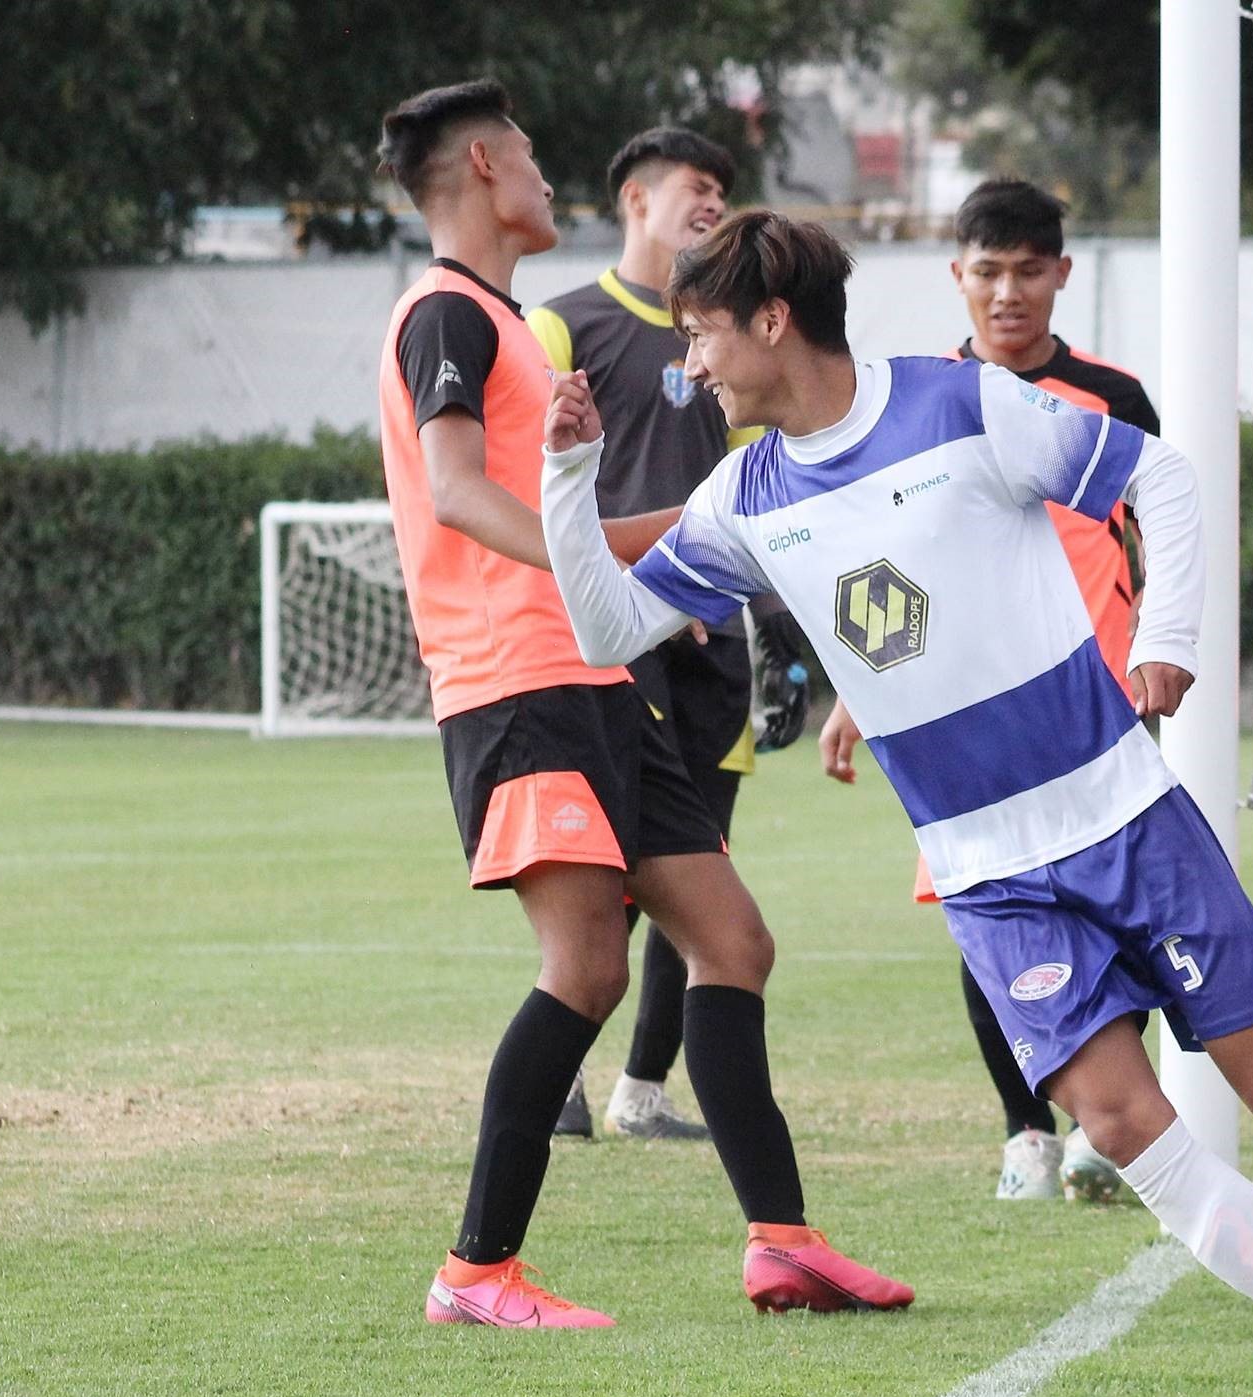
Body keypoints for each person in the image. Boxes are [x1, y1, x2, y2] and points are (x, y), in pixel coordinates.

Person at [536, 208, 1253, 1397]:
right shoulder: (743, 495)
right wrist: (565, 472)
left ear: (769, 320)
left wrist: (1166, 646)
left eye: (701, 336)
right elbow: (604, 629)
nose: (690, 367)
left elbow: (1160, 480)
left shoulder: (960, 405)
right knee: (1124, 1125)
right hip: (987, 876)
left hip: (1122, 816)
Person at [373, 80, 908, 1327]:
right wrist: (608, 551)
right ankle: (475, 1272)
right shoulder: (445, 313)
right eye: (531, 156)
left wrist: (682, 524)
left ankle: (782, 1241)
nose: (547, 179)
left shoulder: (506, 324)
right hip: (516, 684)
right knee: (588, 967)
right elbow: (453, 492)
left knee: (731, 943)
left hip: (599, 679)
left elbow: (575, 527)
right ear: (480, 163)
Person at [817, 177, 1157, 1204]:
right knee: (982, 918)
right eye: (987, 271)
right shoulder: (914, 397)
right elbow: (874, 558)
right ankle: (1026, 1132)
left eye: (1026, 270)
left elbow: (1159, 534)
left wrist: (1160, 652)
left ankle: (1106, 1128)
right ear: (957, 277)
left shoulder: (1113, 397)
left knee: (1121, 913)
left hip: (1096, 701)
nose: (1007, 292)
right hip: (959, 707)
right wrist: (850, 691)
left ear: (1059, 274)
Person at [526, 125, 812, 1142]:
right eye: (696, 188)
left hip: (712, 642)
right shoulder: (561, 326)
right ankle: (553, 1081)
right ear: (633, 200)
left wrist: (780, 633)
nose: (712, 204)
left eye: (724, 193)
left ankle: (641, 1093)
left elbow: (756, 495)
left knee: (702, 864)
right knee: (606, 871)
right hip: (615, 636)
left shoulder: (734, 342)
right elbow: (534, 482)